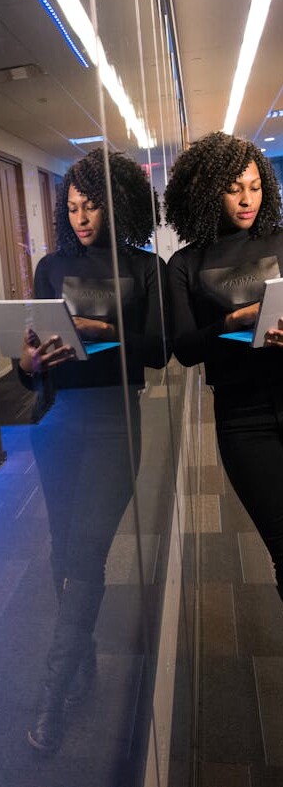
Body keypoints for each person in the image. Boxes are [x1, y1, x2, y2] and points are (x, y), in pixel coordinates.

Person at [18, 148, 168, 753]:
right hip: (58, 423)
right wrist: (28, 363)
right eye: (73, 207)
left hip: (114, 425)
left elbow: (159, 351)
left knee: (84, 557)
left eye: (92, 205)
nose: (82, 217)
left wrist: (105, 332)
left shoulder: (143, 267)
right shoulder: (50, 267)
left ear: (116, 203)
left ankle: (52, 695)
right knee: (64, 555)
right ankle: (83, 662)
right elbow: (30, 369)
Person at [165, 131, 283, 601]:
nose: (246, 199)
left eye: (254, 186)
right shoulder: (186, 264)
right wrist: (233, 321)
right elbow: (186, 348)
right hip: (243, 418)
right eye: (233, 188)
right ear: (208, 190)